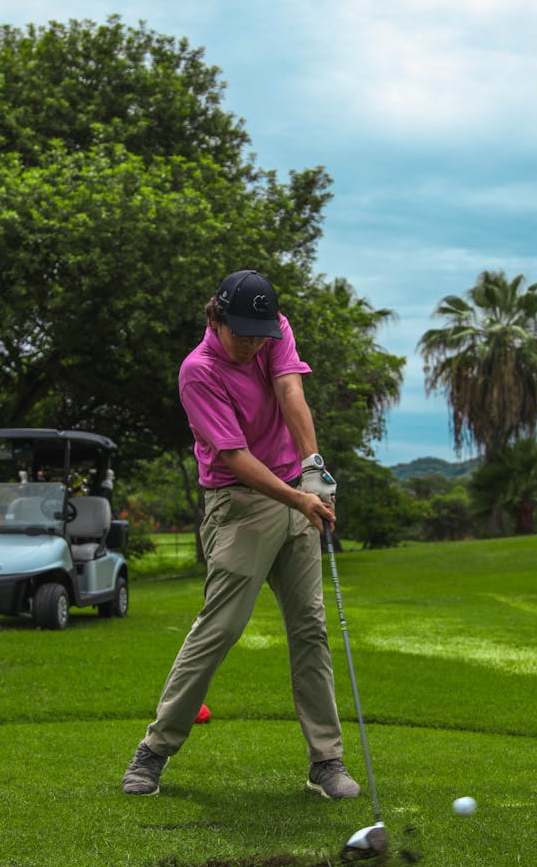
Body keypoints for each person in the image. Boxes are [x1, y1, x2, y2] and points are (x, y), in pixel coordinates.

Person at [122, 269, 360, 800]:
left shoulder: (273, 330)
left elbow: (290, 390)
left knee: (310, 629)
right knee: (220, 629)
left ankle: (326, 761)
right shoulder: (197, 372)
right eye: (243, 333)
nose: (253, 343)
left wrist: (314, 469)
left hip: (296, 490)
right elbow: (234, 456)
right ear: (216, 318)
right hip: (238, 502)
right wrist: (299, 496)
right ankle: (154, 751)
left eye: (261, 333)